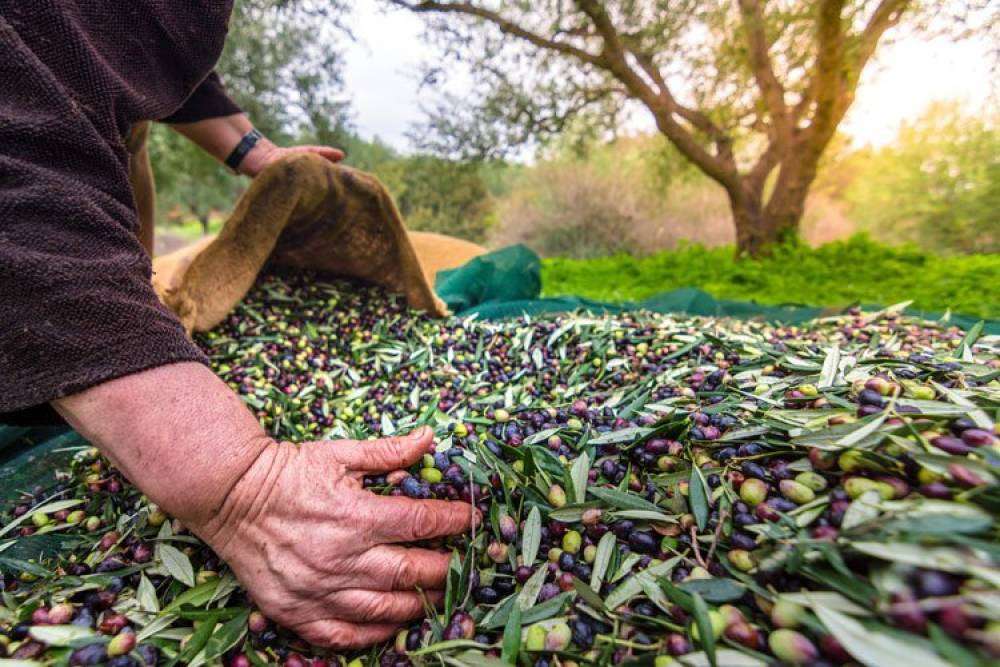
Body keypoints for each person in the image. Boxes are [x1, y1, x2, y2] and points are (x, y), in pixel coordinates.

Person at [0, 1, 477, 649]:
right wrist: (240, 486)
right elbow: (28, 209)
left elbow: (124, 33)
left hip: (96, 162)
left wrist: (255, 151)